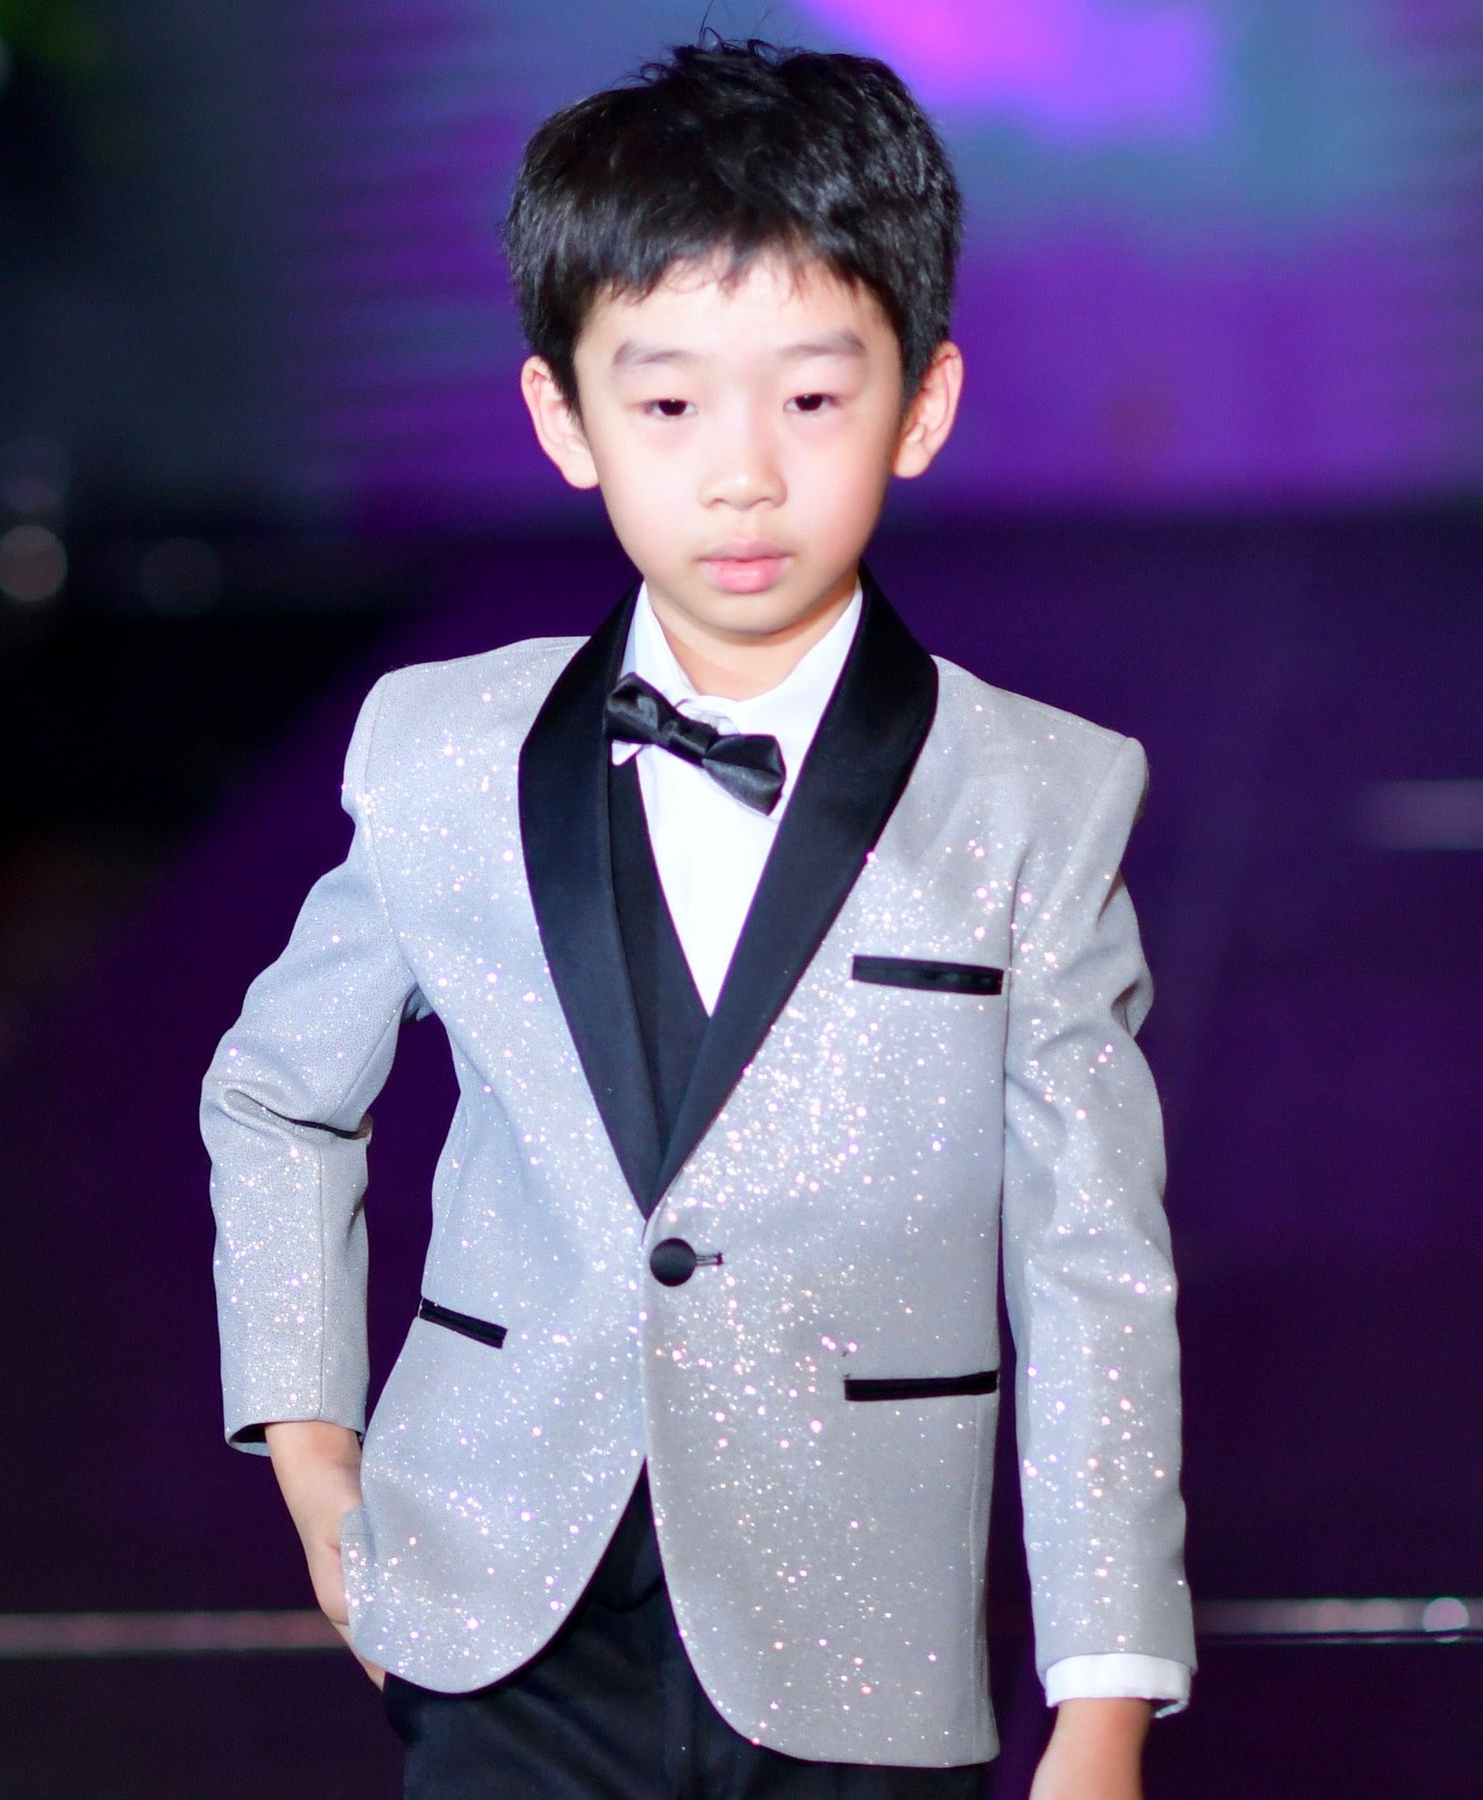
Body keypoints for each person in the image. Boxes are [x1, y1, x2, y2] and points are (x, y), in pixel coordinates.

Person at [202, 38, 1192, 1800]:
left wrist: (1103, 1702)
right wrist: (308, 1448)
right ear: (561, 419)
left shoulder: (1039, 799)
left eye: (810, 400)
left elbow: (1090, 1266)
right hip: (498, 1614)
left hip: (858, 1646)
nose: (742, 474)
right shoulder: (441, 754)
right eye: (667, 407)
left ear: (923, 405)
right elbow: (279, 1095)